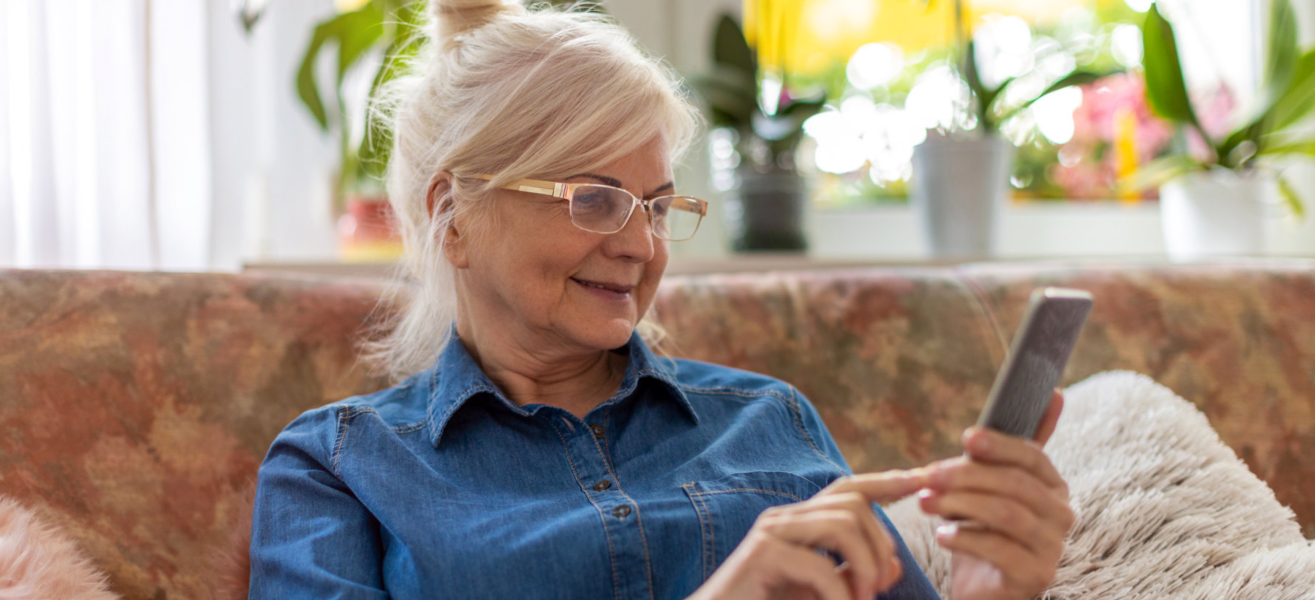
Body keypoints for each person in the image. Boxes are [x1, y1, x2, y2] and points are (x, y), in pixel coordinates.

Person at [247, 1, 1074, 598]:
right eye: (594, 199)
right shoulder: (339, 469)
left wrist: (988, 592)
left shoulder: (769, 421)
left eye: (657, 206)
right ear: (452, 216)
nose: (643, 245)